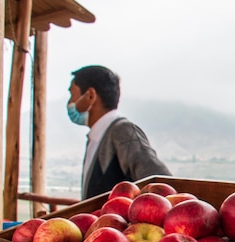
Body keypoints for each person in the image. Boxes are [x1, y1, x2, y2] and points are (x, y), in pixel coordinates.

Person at [67, 65, 172, 199]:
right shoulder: (97, 136)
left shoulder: (122, 131)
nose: (70, 102)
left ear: (90, 96)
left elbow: (162, 185)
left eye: (72, 94)